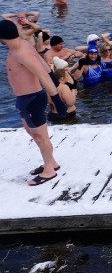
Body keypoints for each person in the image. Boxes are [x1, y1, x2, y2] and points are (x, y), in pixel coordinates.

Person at [0, 19, 68, 186]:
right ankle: (51, 162)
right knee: (32, 133)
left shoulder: (20, 52)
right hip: (24, 99)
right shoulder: (21, 45)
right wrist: (54, 79)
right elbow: (43, 64)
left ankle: (49, 171)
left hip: (32, 99)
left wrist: (57, 101)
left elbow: (43, 76)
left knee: (40, 136)